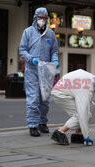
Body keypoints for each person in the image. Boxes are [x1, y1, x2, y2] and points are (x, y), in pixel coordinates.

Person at [19, 7, 60, 137]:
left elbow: (54, 50)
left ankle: (42, 123)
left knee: (45, 99)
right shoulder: (28, 32)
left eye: (44, 18)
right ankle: (33, 125)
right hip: (32, 70)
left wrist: (55, 60)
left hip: (47, 70)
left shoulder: (51, 34)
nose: (42, 20)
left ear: (47, 19)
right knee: (33, 99)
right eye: (39, 17)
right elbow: (22, 50)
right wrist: (31, 59)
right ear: (35, 18)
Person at [50, 69, 95, 145]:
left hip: (63, 90)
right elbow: (82, 113)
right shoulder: (86, 88)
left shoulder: (90, 78)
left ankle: (77, 134)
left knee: (91, 106)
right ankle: (59, 132)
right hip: (60, 94)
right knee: (81, 114)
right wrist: (86, 136)